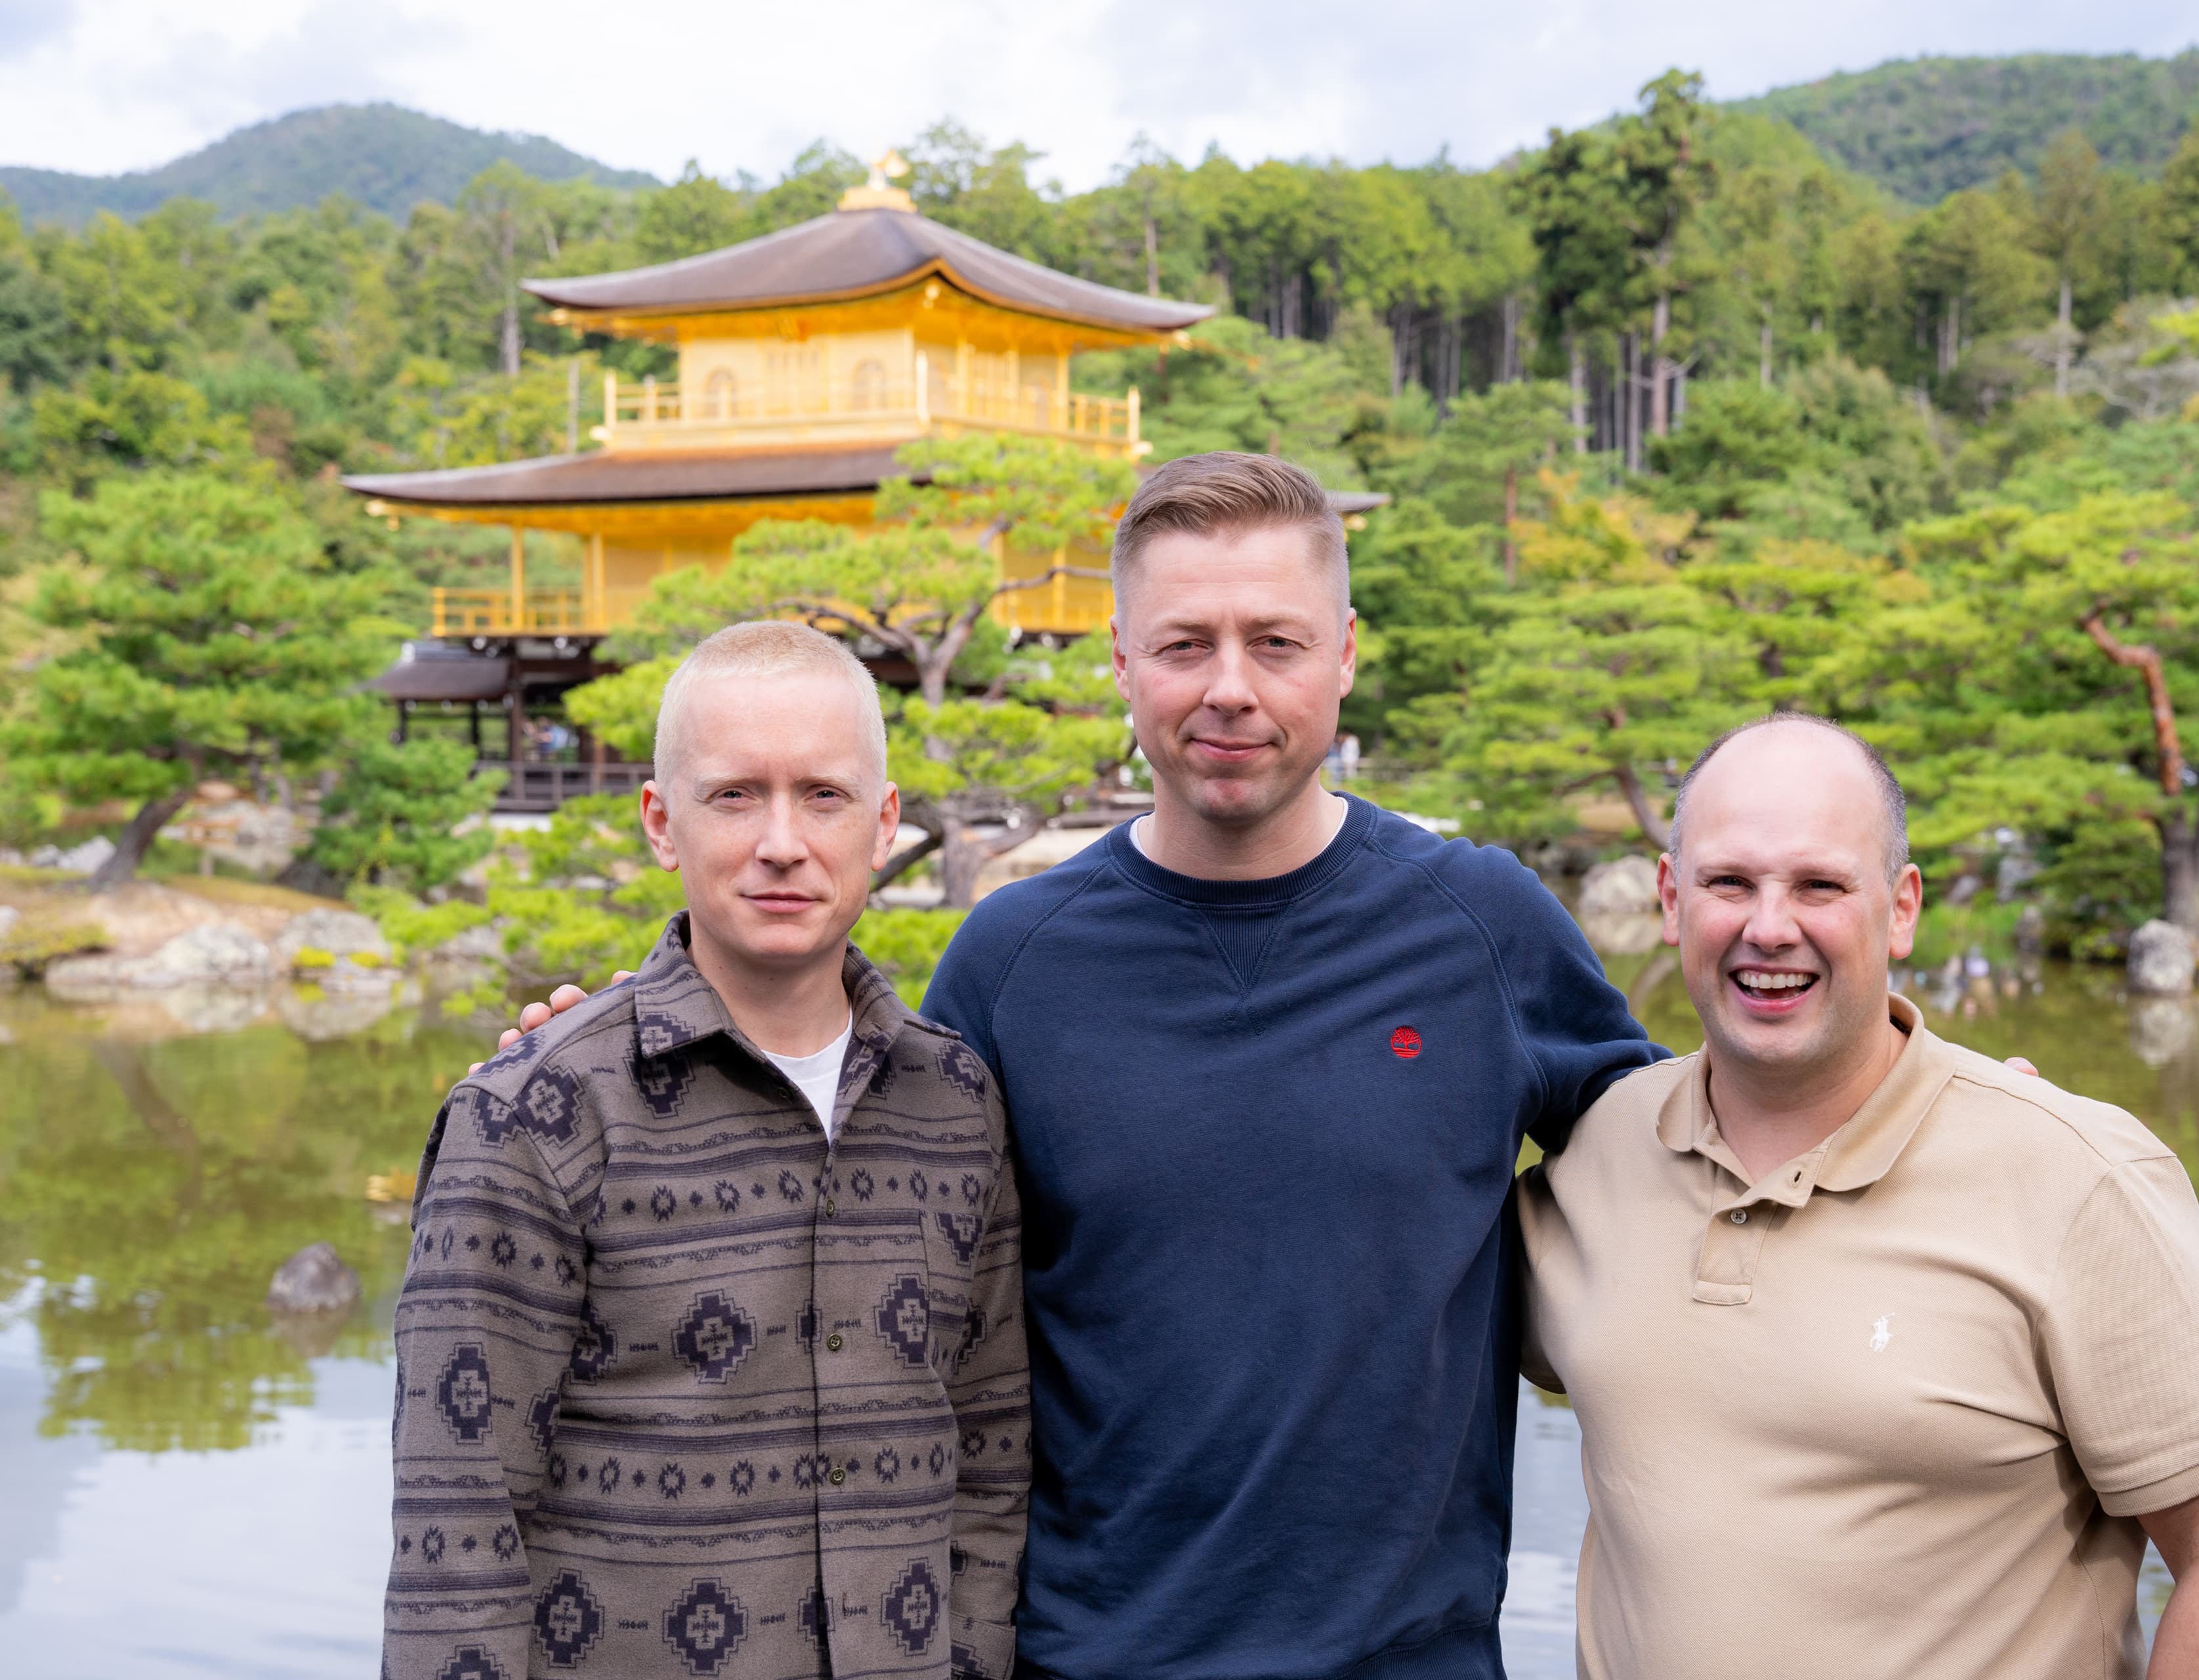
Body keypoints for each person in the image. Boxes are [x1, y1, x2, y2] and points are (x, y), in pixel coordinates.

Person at [506, 455, 1663, 1677]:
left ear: (1346, 653)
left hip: (1405, 1658)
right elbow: (844, 1201)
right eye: (1182, 646)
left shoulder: (1480, 928)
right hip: (1088, 1652)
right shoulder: (1015, 959)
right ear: (1119, 660)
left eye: (1275, 642)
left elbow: (1687, 1163)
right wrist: (615, 1069)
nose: (1230, 689)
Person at [1519, 713, 2199, 1680]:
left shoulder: (2074, 1176)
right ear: (1670, 899)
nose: (1770, 927)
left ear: (1900, 909)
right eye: (1730, 882)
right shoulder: (1602, 1149)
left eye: (1820, 885)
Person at [392, 622, 1030, 1680]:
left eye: (823, 796)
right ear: (660, 822)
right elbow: (457, 1528)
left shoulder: (956, 1104)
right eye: (735, 795)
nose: (782, 840)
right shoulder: (536, 1117)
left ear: (883, 825)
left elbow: (993, 1457)